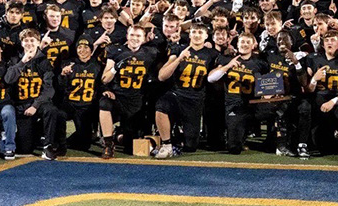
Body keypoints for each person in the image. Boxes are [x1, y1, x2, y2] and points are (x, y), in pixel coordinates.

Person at [153, 24, 220, 158]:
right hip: (177, 93)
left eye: (200, 32)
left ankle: (178, 136)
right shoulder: (179, 49)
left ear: (206, 36)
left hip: (196, 98)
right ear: (189, 35)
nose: (196, 35)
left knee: (191, 146)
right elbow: (161, 76)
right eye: (194, 32)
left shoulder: (212, 54)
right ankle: (166, 145)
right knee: (161, 106)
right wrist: (179, 59)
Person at [99, 25, 159, 158]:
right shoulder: (115, 51)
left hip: (136, 100)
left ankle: (118, 135)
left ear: (144, 39)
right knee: (104, 103)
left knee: (130, 145)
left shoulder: (150, 53)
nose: (134, 38)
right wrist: (115, 68)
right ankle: (108, 144)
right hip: (118, 97)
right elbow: (104, 79)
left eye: (138, 36)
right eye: (132, 35)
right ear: (127, 36)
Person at [207, 33, 268, 154]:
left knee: (275, 109)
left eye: (247, 42)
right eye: (242, 42)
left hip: (253, 104)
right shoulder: (226, 59)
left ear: (253, 46)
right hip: (233, 104)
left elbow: (268, 84)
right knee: (234, 148)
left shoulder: (260, 64)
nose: (244, 45)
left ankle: (275, 141)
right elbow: (211, 79)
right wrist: (228, 67)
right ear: (237, 44)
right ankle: (236, 136)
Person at [4, 29, 57, 157]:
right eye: (26, 41)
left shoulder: (44, 62)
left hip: (37, 104)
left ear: (39, 43)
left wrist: (35, 105)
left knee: (51, 110)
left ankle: (48, 146)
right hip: (21, 105)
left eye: (32, 40)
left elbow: (49, 89)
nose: (29, 43)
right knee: (25, 148)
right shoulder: (15, 59)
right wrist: (22, 62)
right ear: (21, 43)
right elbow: (8, 80)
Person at [57, 35, 103, 151]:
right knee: (58, 114)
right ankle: (59, 142)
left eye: (86, 47)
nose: (82, 50)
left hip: (86, 106)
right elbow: (61, 86)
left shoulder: (97, 66)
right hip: (70, 104)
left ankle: (70, 140)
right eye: (79, 47)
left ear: (91, 50)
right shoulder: (69, 63)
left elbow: (101, 86)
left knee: (84, 145)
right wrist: (62, 75)